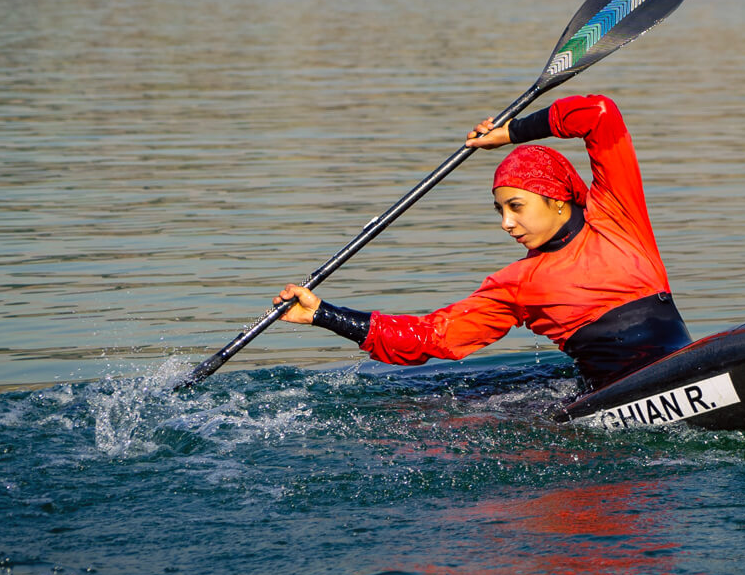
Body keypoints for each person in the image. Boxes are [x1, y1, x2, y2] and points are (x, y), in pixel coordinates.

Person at [273, 94, 692, 391]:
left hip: (689, 365)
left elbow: (599, 114)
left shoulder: (619, 218)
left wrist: (510, 133)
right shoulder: (517, 283)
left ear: (558, 200)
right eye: (500, 211)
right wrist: (325, 315)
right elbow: (431, 337)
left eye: (516, 206)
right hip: (612, 397)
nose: (507, 223)